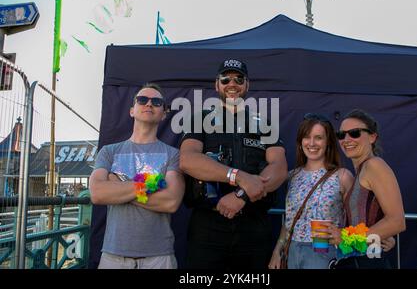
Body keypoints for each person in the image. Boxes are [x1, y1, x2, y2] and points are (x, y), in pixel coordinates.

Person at [179, 58, 288, 269]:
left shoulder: (264, 124)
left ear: (247, 85)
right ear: (216, 84)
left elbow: (279, 168)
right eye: (226, 78)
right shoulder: (200, 118)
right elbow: (188, 160)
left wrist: (242, 195)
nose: (232, 84)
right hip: (208, 226)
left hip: (253, 225)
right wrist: (238, 177)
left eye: (239, 79)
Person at [89, 83, 185, 269]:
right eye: (142, 100)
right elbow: (98, 194)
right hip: (113, 255)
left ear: (164, 113)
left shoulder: (173, 154)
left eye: (156, 102)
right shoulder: (109, 152)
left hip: (159, 256)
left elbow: (170, 202)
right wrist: (152, 183)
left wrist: (119, 185)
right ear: (132, 110)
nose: (149, 104)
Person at [268, 113, 354, 269]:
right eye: (307, 137)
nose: (312, 143)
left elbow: (358, 218)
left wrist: (346, 236)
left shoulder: (342, 176)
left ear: (328, 142)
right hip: (292, 250)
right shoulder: (292, 176)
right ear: (300, 142)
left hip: (325, 252)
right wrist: (277, 251)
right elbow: (289, 220)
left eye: (319, 137)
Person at [324, 109, 406, 269]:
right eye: (341, 134)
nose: (346, 139)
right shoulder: (362, 171)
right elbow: (373, 222)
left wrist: (346, 238)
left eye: (354, 133)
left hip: (367, 262)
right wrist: (380, 235)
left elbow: (397, 221)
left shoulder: (374, 165)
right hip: (357, 260)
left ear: (372, 137)